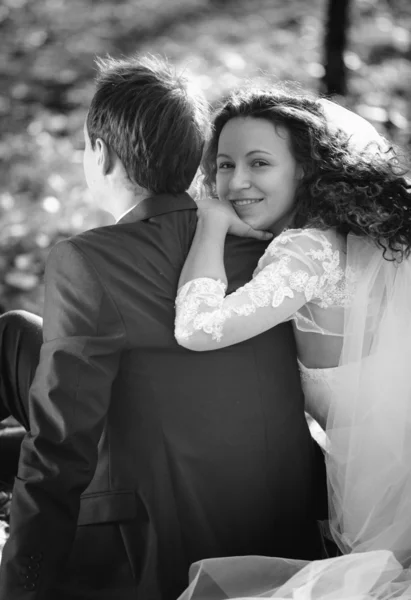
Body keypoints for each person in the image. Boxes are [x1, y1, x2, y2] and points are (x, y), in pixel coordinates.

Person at [0, 56, 327, 600]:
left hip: (155, 547)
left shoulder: (88, 260)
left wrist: (23, 584)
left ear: (100, 154)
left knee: (16, 351)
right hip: (275, 528)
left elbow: (62, 446)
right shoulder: (263, 244)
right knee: (17, 338)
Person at [174, 86, 411, 599]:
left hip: (386, 486)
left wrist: (211, 227)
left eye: (259, 163)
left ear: (304, 168)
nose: (235, 183)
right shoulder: (343, 233)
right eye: (224, 165)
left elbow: (198, 328)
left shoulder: (306, 248)